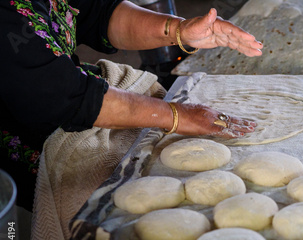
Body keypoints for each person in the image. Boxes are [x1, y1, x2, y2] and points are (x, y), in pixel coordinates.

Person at [0, 0, 263, 210]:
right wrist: (179, 115)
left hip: (70, 93)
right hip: (21, 142)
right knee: (111, 205)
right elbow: (64, 95)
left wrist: (180, 30)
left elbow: (99, 13)